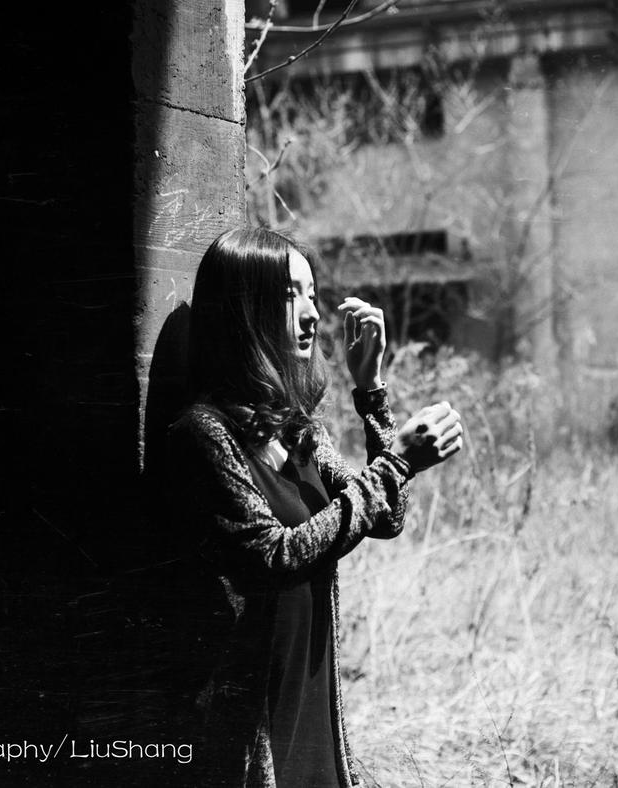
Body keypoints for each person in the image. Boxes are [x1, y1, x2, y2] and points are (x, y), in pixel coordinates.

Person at [166, 226, 463, 787]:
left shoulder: (296, 428)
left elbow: (385, 518)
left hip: (311, 681)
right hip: (254, 707)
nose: (310, 314)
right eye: (288, 297)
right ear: (243, 311)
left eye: (311, 294)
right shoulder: (206, 433)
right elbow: (273, 557)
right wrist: (396, 463)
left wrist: (371, 391)